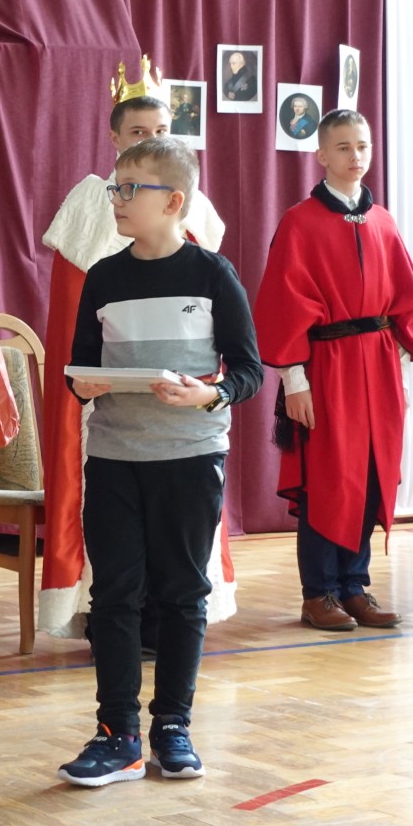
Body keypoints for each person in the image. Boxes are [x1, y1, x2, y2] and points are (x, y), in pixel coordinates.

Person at [55, 136, 261, 788]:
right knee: (114, 595)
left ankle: (173, 725)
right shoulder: (104, 277)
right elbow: (77, 367)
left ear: (173, 202)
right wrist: (83, 383)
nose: (115, 200)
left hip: (190, 458)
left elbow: (248, 370)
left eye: (129, 189)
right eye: (114, 188)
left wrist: (209, 394)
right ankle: (117, 735)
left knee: (182, 592)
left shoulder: (212, 274)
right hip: (114, 457)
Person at [40, 82, 232, 648]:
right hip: (112, 404)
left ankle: (171, 614)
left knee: (178, 522)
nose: (151, 139)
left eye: (162, 131)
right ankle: (108, 614)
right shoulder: (92, 203)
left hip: (180, 411)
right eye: (138, 132)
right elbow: (75, 316)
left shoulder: (194, 207)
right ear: (114, 138)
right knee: (114, 519)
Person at [254, 109, 413, 631]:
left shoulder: (383, 222)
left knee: (372, 474)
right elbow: (284, 308)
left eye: (362, 145)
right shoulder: (299, 222)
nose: (355, 156)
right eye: (343, 147)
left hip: (378, 365)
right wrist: (295, 382)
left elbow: (405, 304)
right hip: (327, 367)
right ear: (321, 154)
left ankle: (354, 586)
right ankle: (319, 592)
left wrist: (402, 378)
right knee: (329, 478)